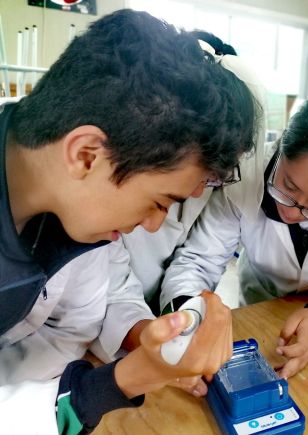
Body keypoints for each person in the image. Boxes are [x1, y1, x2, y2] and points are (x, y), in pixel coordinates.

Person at [0, 10, 260, 434]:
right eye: (159, 202)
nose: (155, 226)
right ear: (86, 154)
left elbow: (72, 332)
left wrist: (154, 349)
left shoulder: (77, 213)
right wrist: (117, 381)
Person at [157, 91, 308, 379]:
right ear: (282, 148)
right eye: (287, 185)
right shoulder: (247, 170)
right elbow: (199, 260)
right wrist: (190, 320)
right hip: (261, 304)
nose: (292, 213)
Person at [90, 32, 266, 399]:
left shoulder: (212, 183)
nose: (200, 189)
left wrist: (171, 331)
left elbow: (198, 256)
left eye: (217, 176)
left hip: (140, 324)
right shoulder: (100, 200)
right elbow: (104, 280)